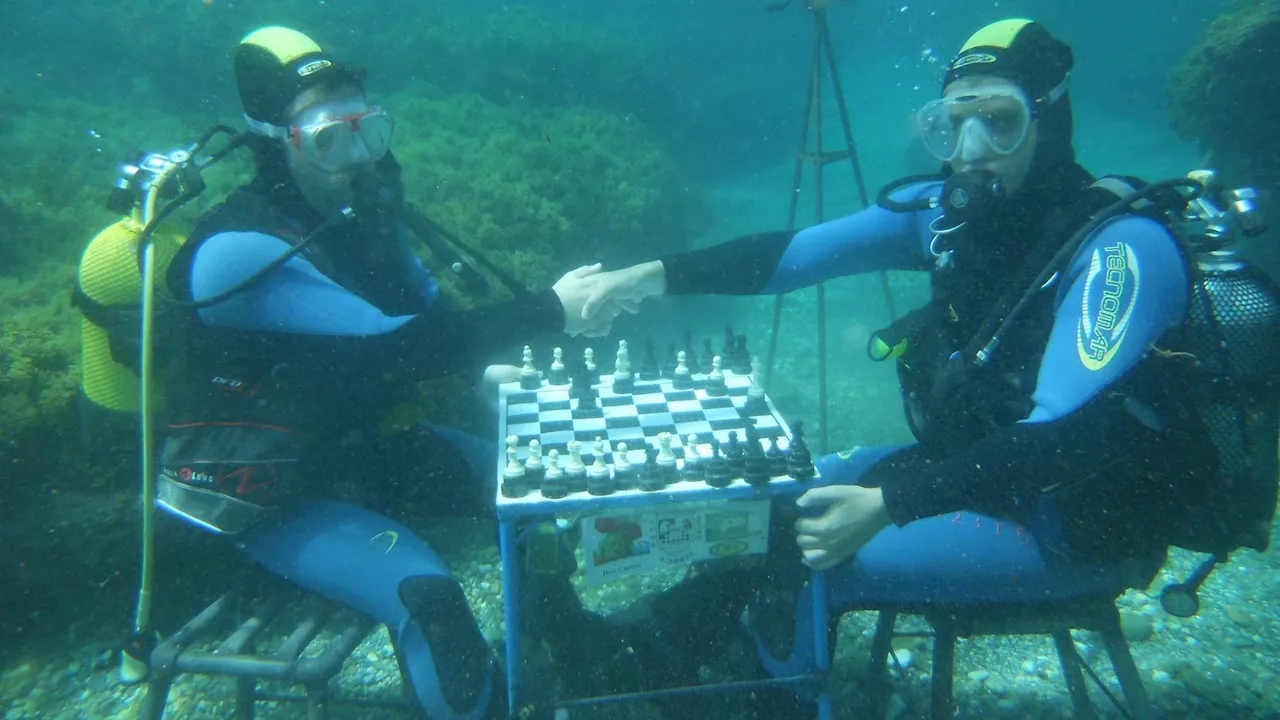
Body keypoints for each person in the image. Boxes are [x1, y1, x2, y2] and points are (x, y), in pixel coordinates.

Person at [572, 16, 1280, 705]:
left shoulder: (1120, 251)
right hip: (982, 480)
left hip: (1071, 526)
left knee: (811, 551)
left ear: (1051, 121)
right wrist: (645, 276)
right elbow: (789, 255)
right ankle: (661, 649)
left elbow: (1057, 441)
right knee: (774, 500)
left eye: (1000, 122)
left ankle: (754, 691)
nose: (970, 150)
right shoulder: (944, 218)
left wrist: (887, 505)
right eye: (951, 124)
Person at [145, 26, 624, 720]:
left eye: (369, 131)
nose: (360, 159)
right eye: (330, 138)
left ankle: (577, 653)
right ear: (275, 140)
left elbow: (430, 315)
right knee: (429, 600)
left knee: (534, 506)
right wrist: (550, 308)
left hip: (359, 453)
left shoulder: (365, 219)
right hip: (267, 494)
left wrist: (482, 373)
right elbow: (394, 347)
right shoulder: (235, 252)